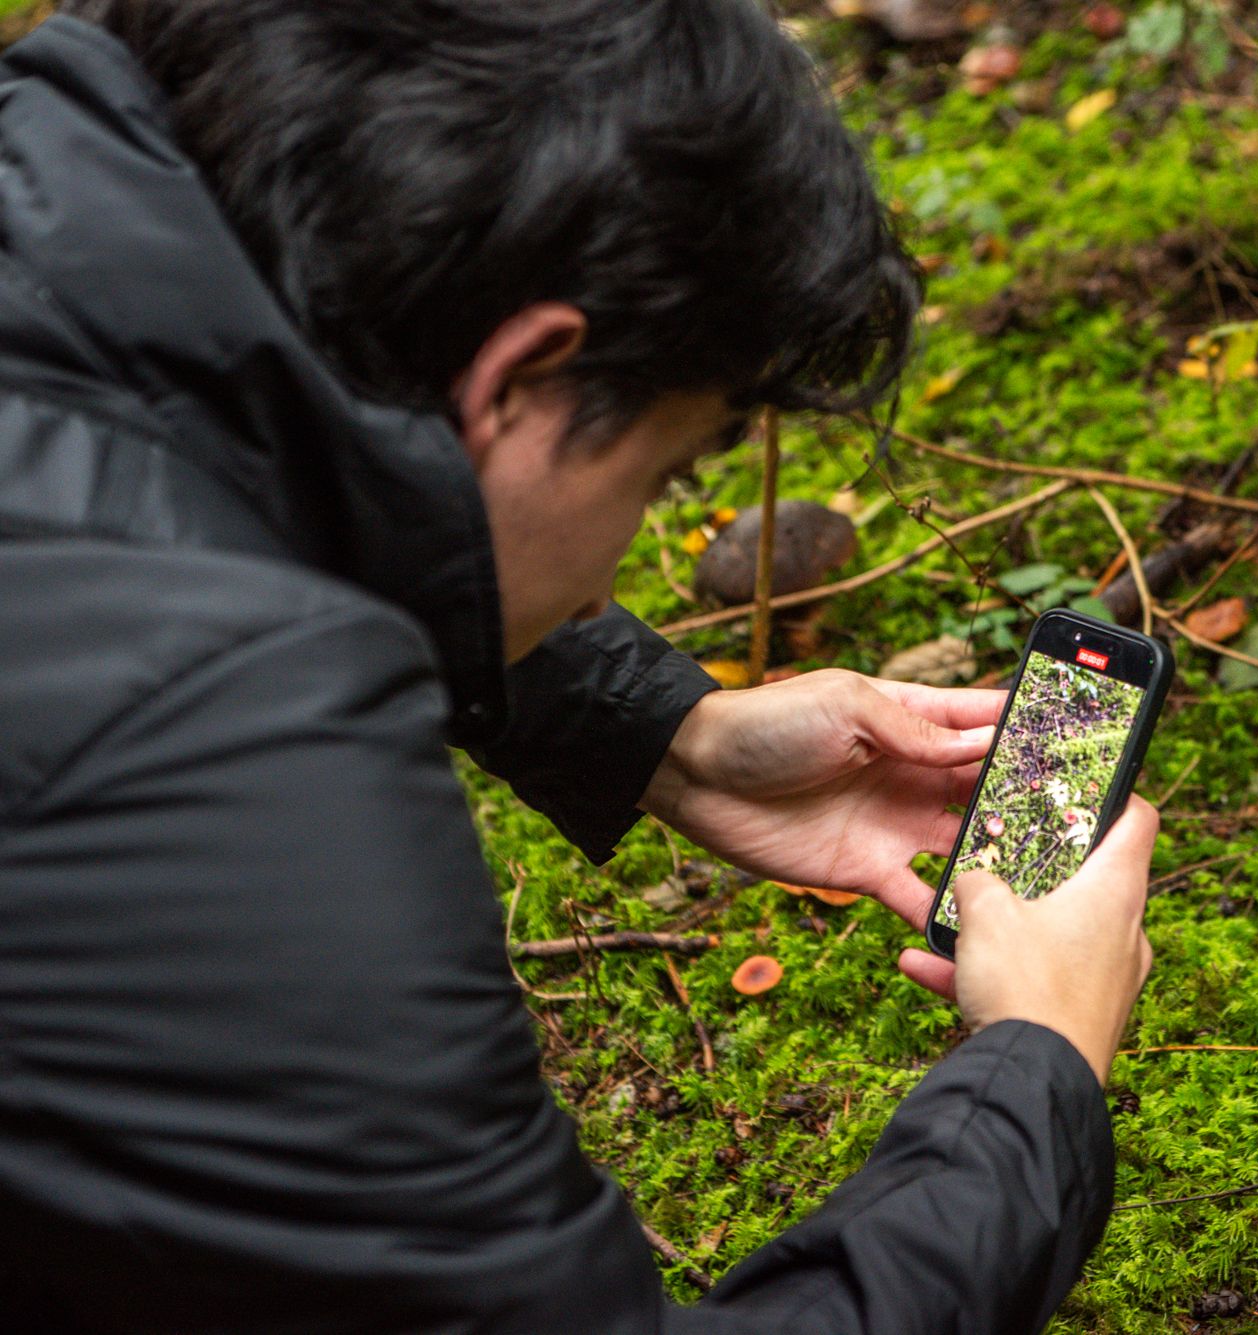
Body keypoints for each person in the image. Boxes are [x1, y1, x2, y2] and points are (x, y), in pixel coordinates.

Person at [0, 2, 1157, 1330]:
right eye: (661, 472)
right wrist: (1040, 1075)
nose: (622, 570)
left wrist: (665, 735)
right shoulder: (223, 775)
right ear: (525, 374)